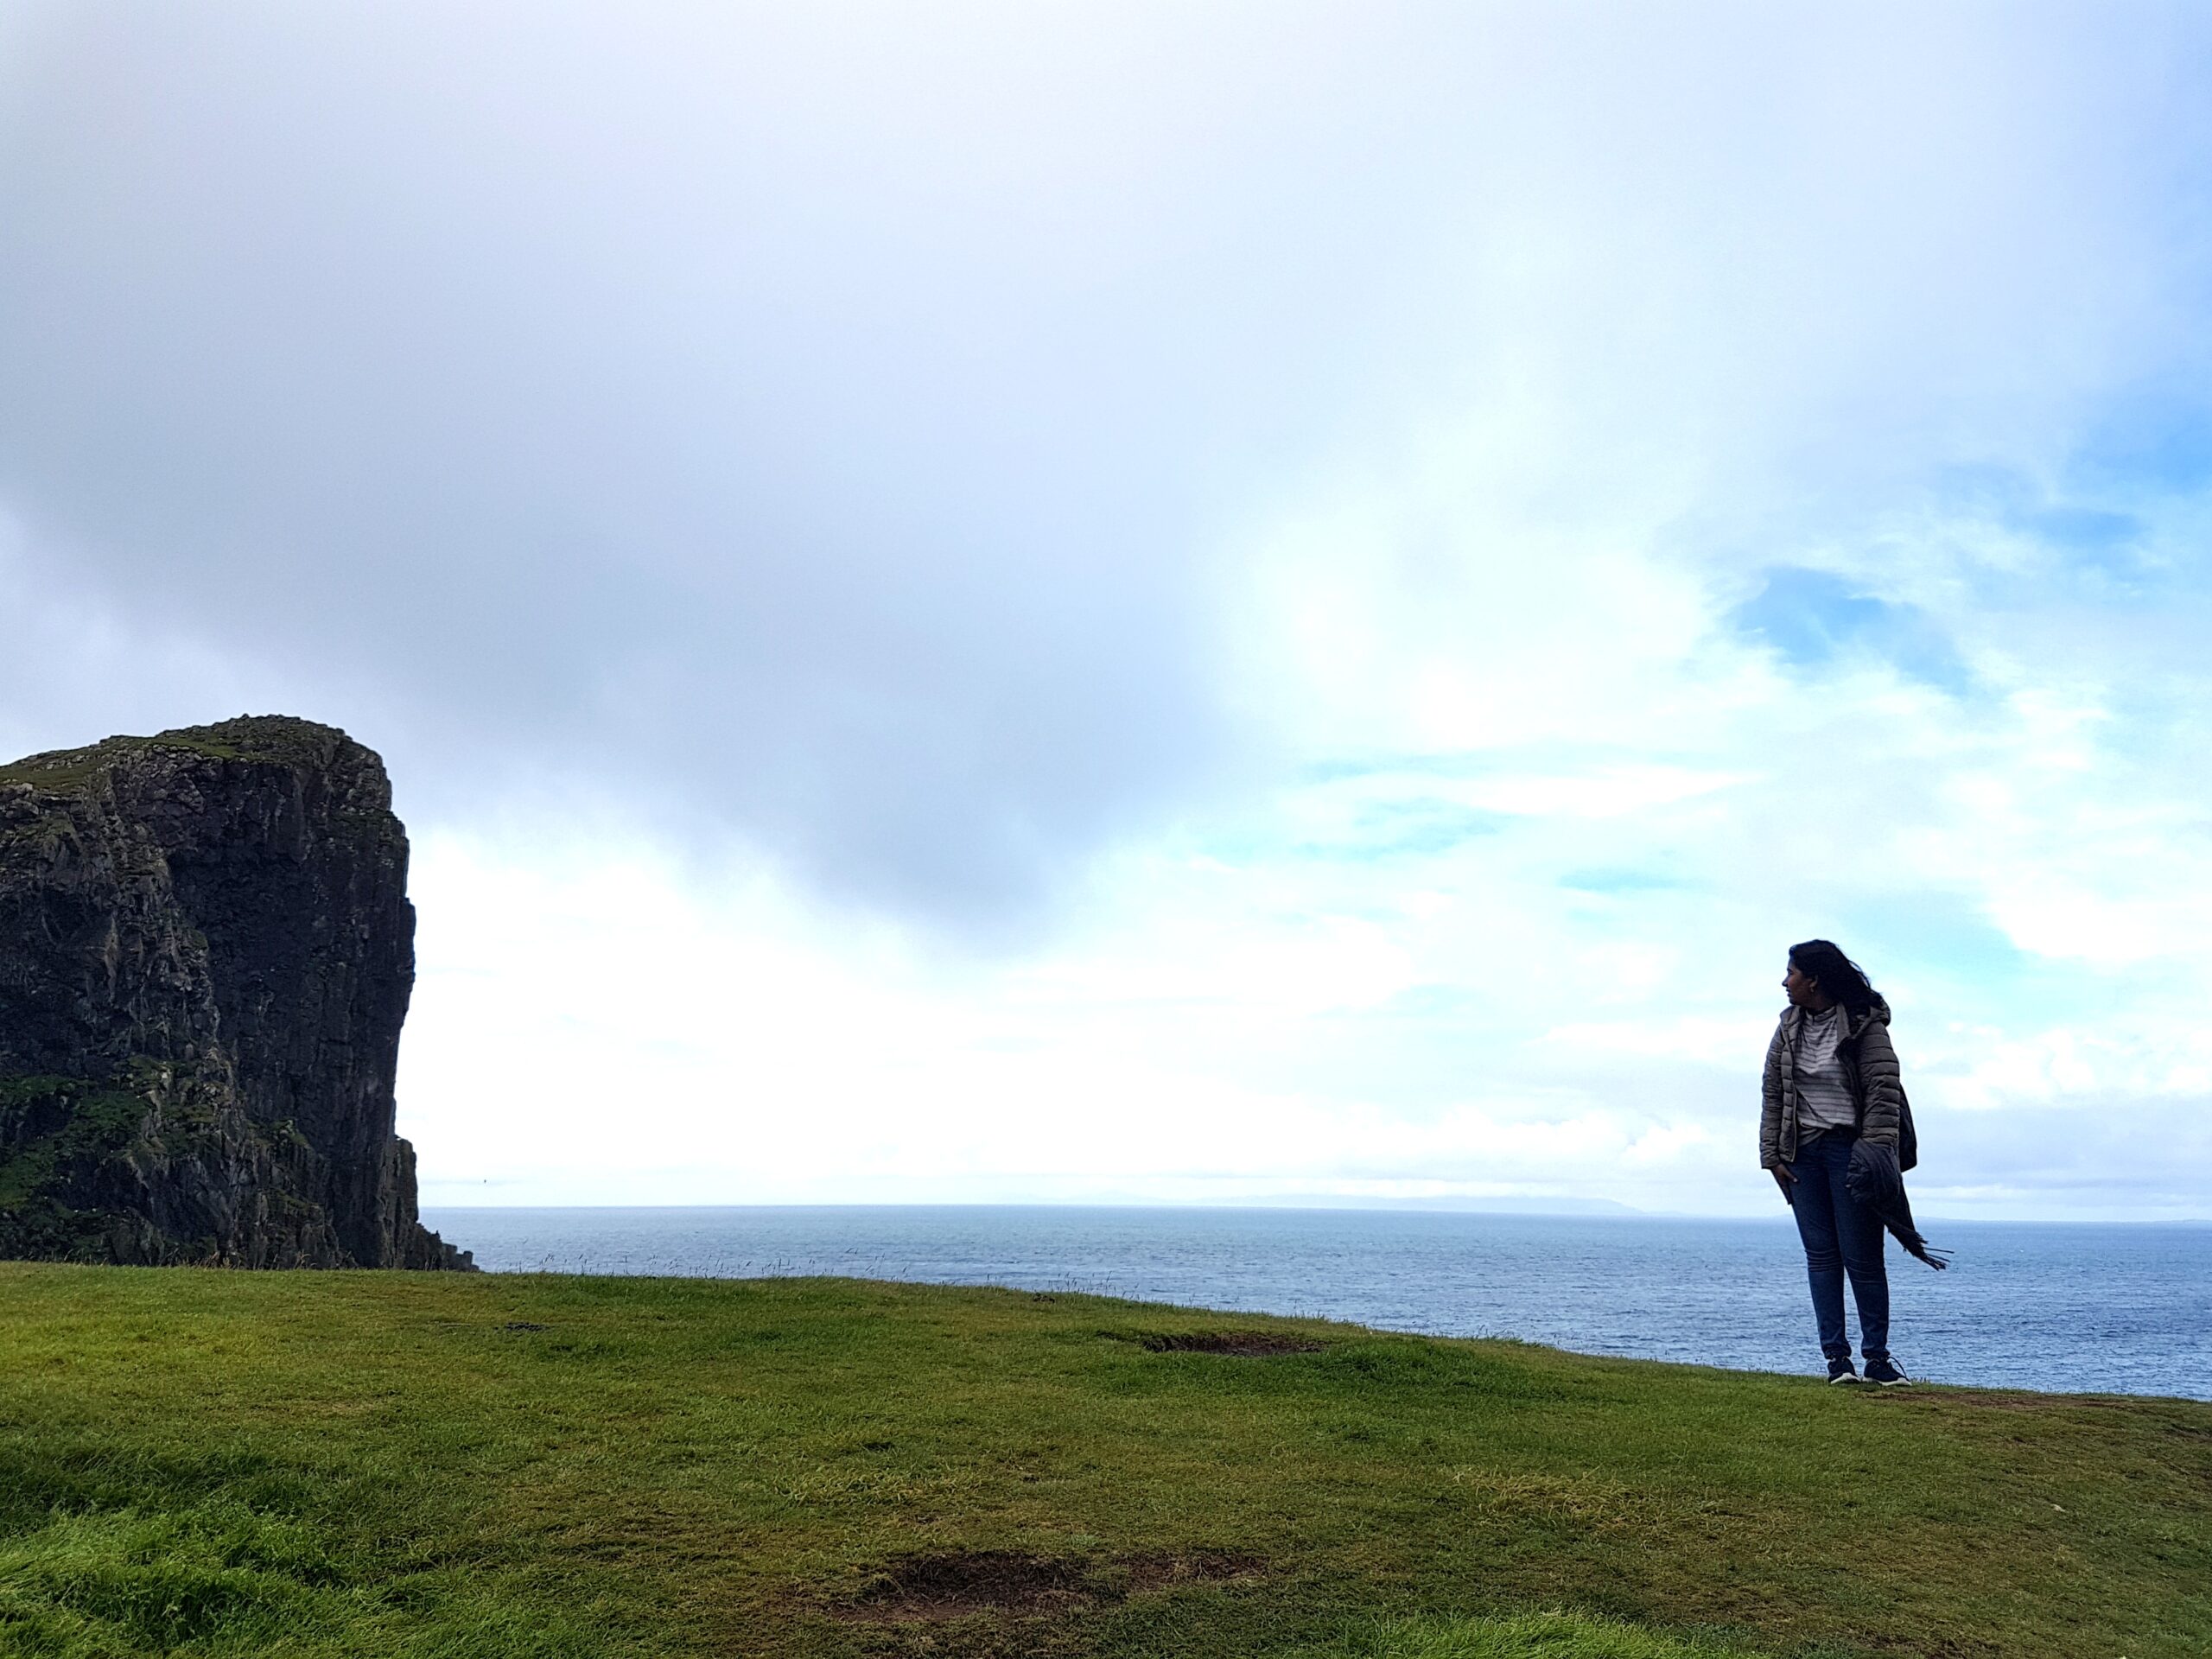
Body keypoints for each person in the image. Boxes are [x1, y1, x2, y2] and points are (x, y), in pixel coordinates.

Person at [1759, 940, 1911, 1386]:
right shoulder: (1788, 1027)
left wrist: (1873, 1154)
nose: (1784, 982)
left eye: (1791, 973)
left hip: (1851, 1152)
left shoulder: (1865, 1024)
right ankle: (1836, 1362)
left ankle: (1877, 1361)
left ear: (1814, 980)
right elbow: (1773, 1094)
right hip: (1802, 1155)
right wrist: (1772, 1156)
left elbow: (1883, 1093)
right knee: (1822, 1259)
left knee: (1863, 1259)